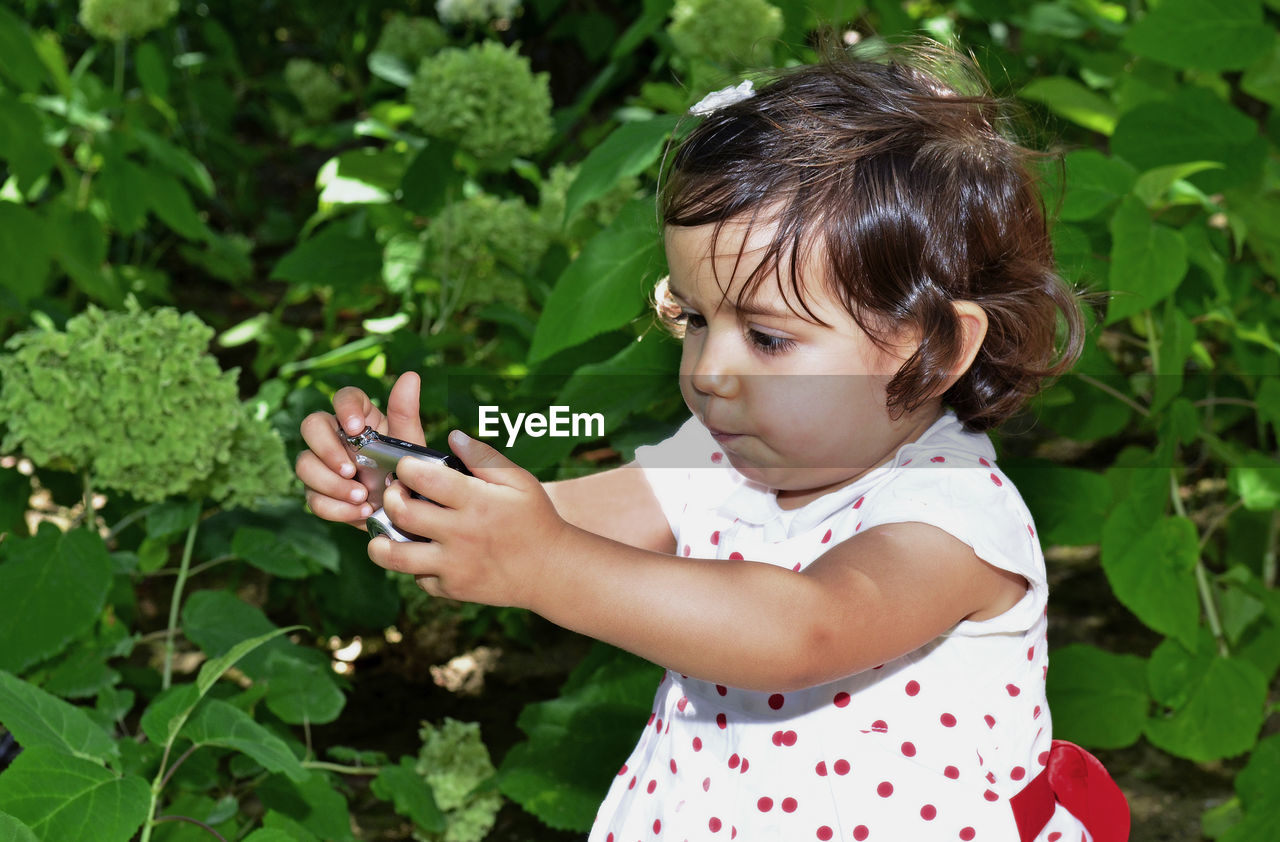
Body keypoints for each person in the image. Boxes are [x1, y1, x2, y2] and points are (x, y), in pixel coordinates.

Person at [296, 43, 1130, 842]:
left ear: (938, 348)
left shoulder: (953, 519)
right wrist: (431, 503)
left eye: (767, 337)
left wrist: (541, 563)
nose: (710, 371)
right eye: (693, 319)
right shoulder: (727, 453)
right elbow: (567, 522)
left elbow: (802, 631)